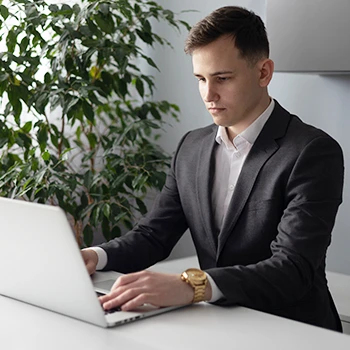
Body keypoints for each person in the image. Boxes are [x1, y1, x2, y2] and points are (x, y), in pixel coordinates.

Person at [82, 6, 344, 331]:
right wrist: (96, 255)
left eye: (222, 78)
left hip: (292, 329)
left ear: (263, 73)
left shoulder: (313, 152)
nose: (209, 94)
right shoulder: (190, 147)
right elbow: (154, 235)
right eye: (201, 79)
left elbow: (292, 268)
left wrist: (191, 285)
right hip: (215, 323)